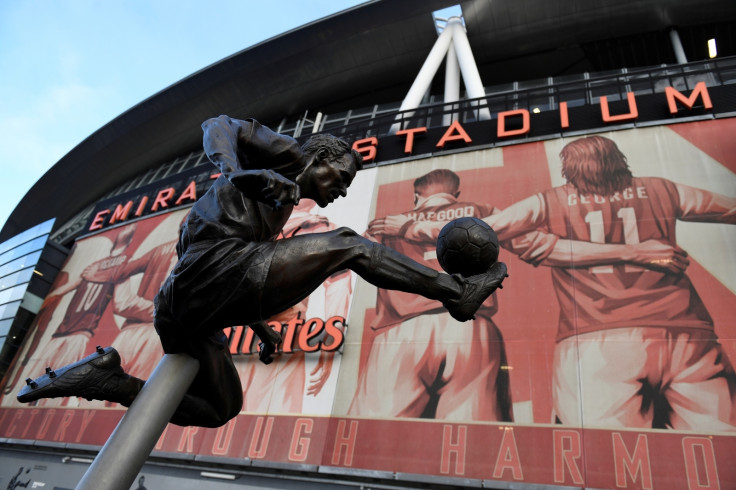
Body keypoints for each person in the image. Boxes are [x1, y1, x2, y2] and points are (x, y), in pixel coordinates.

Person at [18, 115, 508, 428]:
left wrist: (260, 328)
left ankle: (110, 382)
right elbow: (217, 124)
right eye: (341, 178)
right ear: (317, 158)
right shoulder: (282, 158)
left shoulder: (273, 203)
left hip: (191, 305)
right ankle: (453, 293)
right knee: (349, 246)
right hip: (201, 282)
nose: (340, 191)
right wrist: (235, 170)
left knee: (220, 409)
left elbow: (234, 271)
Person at [371, 135, 736, 430]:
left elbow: (477, 234)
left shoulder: (548, 202)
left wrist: (408, 227)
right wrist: (635, 251)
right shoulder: (663, 189)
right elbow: (728, 206)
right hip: (687, 333)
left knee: (603, 459)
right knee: (716, 447)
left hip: (595, 340)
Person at [238, 198, 352, 413]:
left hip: (240, 328)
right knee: (273, 414)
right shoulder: (315, 227)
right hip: (283, 332)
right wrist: (330, 337)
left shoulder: (251, 225)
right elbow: (338, 283)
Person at [6, 226, 139, 406]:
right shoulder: (119, 267)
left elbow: (61, 291)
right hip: (75, 334)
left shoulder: (95, 268)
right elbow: (122, 304)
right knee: (51, 388)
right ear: (129, 243)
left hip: (71, 334)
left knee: (46, 387)